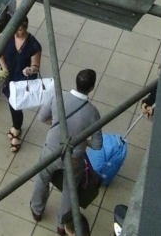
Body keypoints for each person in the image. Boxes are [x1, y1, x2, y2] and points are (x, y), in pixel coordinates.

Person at [30, 69, 103, 228]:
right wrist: (83, 139)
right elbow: (97, 145)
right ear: (91, 87)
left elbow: (42, 118)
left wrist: (57, 122)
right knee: (70, 190)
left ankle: (37, 210)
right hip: (74, 157)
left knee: (43, 178)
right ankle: (62, 224)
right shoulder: (92, 112)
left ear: (76, 82)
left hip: (51, 149)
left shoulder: (58, 97)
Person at [0, 15, 42, 153]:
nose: (17, 31)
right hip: (9, 78)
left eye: (20, 29)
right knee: (13, 104)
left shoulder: (34, 45)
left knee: (16, 106)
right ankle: (16, 127)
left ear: (26, 27)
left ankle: (16, 129)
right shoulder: (7, 36)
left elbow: (36, 65)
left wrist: (30, 69)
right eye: (15, 28)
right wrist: (4, 67)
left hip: (22, 81)